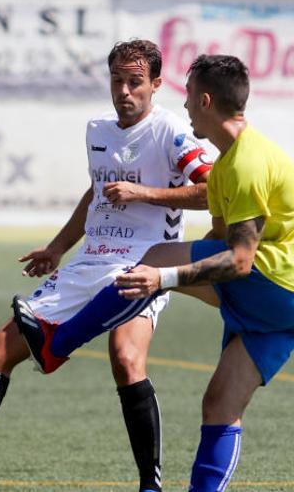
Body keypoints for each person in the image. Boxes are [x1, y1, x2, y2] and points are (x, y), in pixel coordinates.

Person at [0, 39, 213, 491]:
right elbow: (96, 193)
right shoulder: (98, 130)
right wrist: (57, 248)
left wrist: (144, 193)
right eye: (117, 81)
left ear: (155, 85)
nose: (125, 91)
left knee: (127, 360)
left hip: (143, 262)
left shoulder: (171, 132)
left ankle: (151, 485)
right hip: (91, 261)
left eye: (135, 82)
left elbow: (210, 192)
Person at [20, 54, 294, 491]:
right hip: (275, 306)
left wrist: (161, 279)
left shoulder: (245, 163)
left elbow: (239, 261)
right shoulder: (226, 164)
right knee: (220, 406)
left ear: (205, 101)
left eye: (187, 97)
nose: (183, 108)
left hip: (276, 286)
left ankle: (59, 343)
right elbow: (218, 239)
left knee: (157, 257)